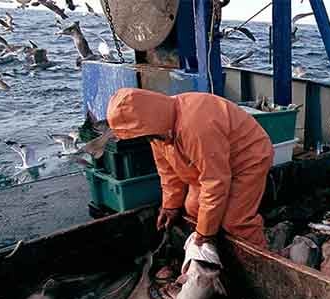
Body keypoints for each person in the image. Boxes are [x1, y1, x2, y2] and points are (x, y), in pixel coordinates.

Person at [106, 88, 273, 248]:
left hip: (247, 159)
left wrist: (205, 234)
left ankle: (263, 262)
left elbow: (215, 181)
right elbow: (167, 171)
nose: (146, 139)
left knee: (235, 222)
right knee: (193, 209)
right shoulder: (156, 132)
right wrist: (170, 206)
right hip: (211, 166)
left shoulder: (197, 127)